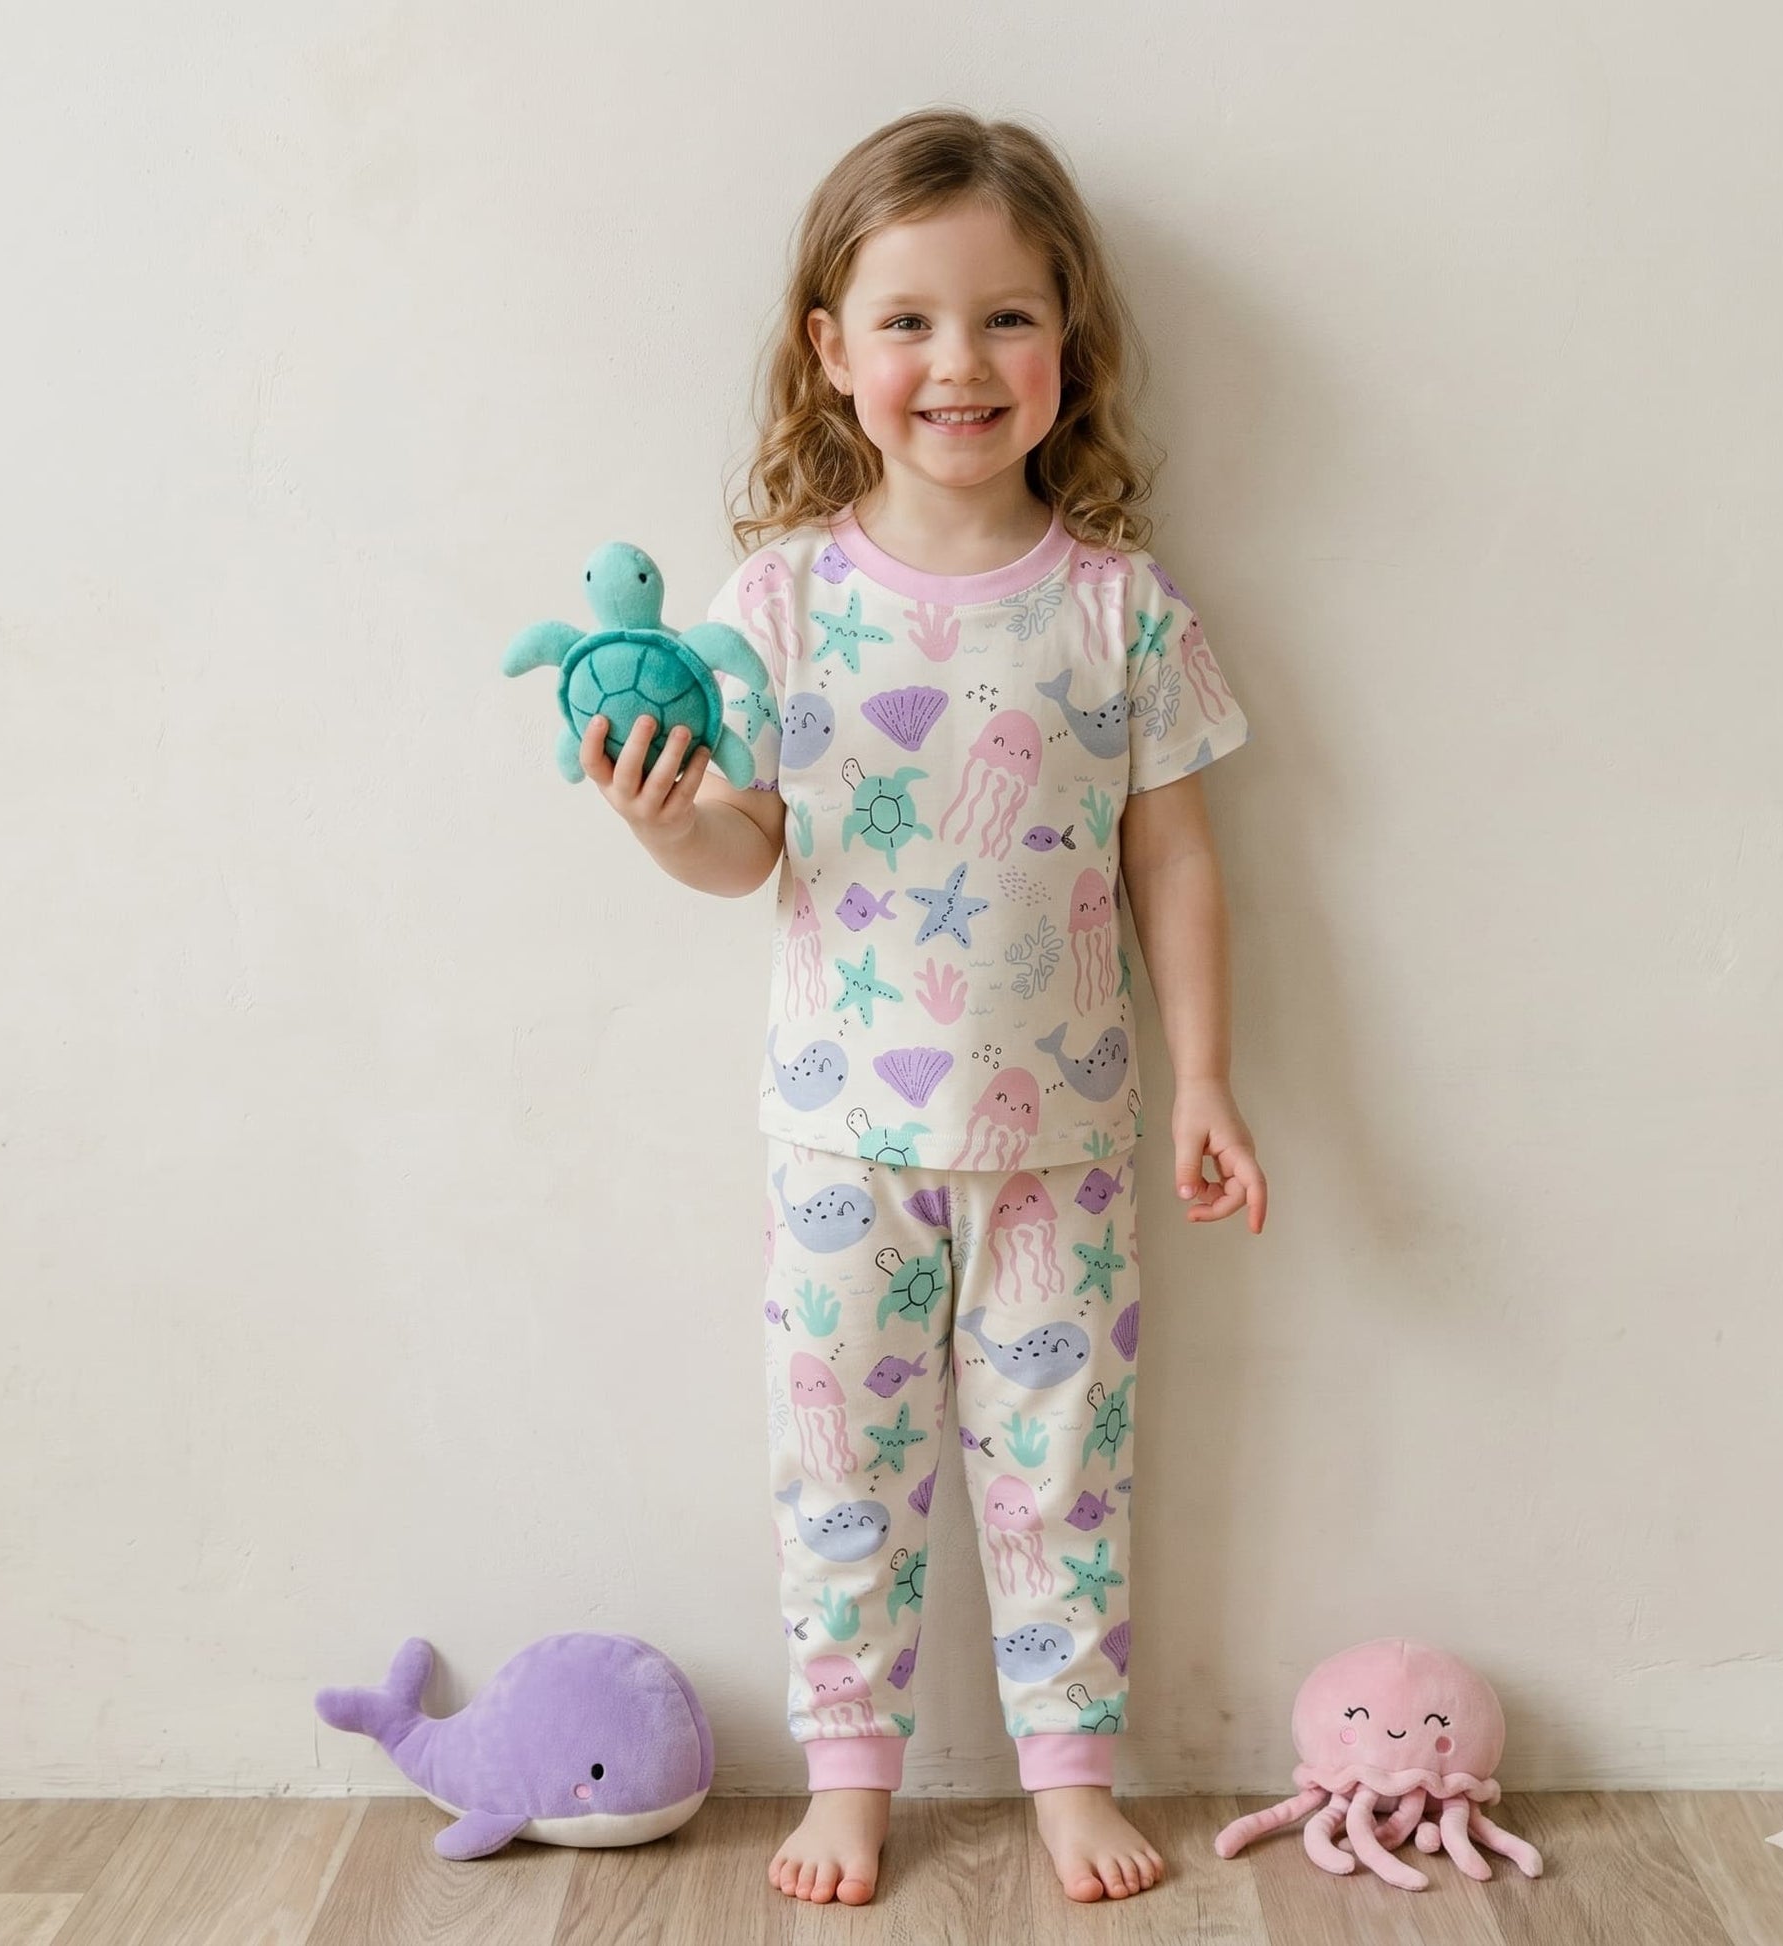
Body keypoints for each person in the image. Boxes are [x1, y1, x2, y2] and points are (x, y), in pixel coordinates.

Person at [579, 108, 1268, 1908]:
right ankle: (848, 1776)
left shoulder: (1119, 611)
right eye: (907, 321)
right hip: (840, 1140)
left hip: (1063, 1140)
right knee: (840, 1473)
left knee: (1063, 1475)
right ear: (830, 350)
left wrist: (1205, 1076)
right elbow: (748, 851)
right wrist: (663, 822)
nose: (957, 363)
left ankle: (1070, 1774)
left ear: (1067, 345)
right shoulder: (775, 607)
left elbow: (1174, 862)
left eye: (1003, 318)